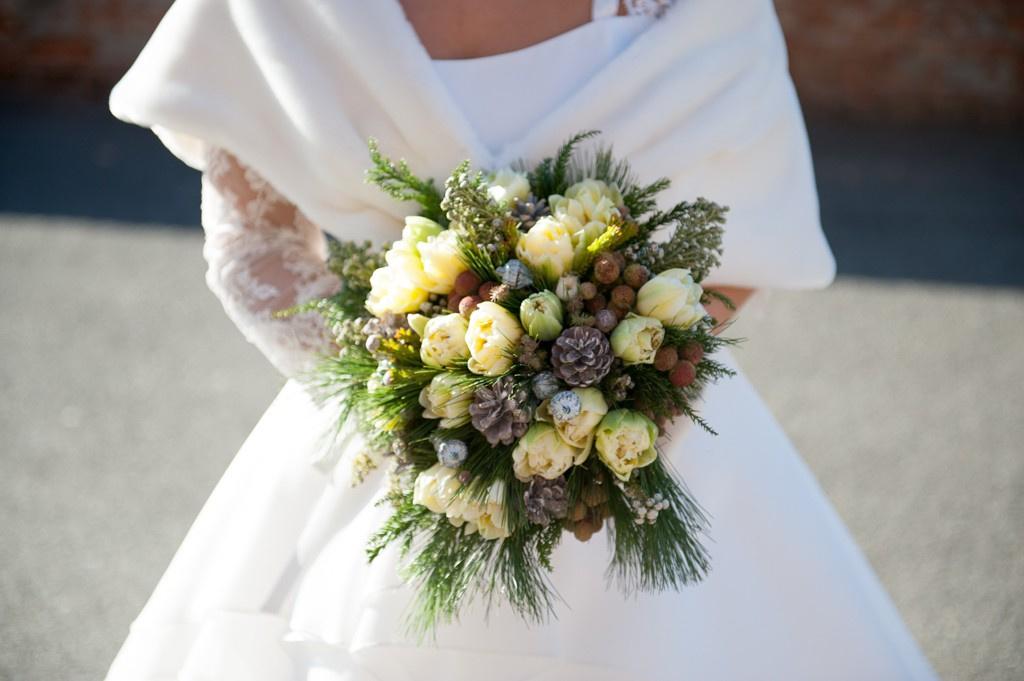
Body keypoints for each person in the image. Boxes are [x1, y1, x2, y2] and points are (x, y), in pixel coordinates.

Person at [105, 1, 937, 678]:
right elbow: (256, 245)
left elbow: (737, 234)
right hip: (388, 432)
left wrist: (623, 391)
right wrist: (415, 410)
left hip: (647, 443)